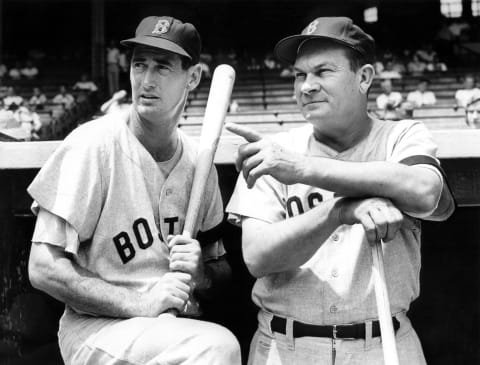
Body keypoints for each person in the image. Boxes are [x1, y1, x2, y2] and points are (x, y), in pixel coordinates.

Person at [226, 16, 455, 365]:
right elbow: (258, 257)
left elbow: (426, 192)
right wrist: (339, 212)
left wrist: (304, 169)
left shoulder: (402, 137)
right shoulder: (275, 149)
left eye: (323, 72)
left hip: (384, 343)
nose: (306, 86)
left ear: (363, 78)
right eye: (300, 75)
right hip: (284, 345)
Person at [27, 15, 241, 365]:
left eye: (162, 67)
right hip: (97, 329)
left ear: (194, 78)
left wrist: (200, 273)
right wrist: (140, 303)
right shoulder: (92, 145)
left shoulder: (198, 164)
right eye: (139, 65)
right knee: (218, 348)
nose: (146, 80)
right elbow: (43, 268)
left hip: (174, 331)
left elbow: (221, 272)